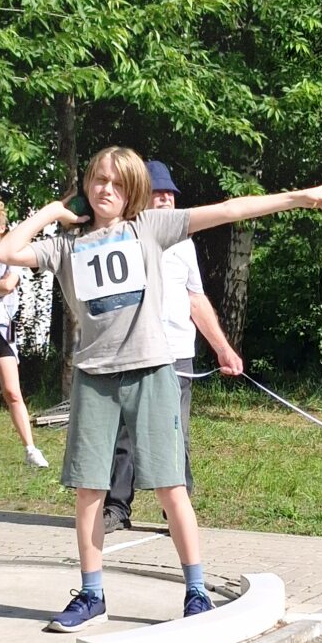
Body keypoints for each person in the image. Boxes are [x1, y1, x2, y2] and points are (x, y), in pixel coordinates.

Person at [0, 147, 322, 631]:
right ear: (86, 186)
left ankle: (196, 590)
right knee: (89, 490)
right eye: (98, 180)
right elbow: (5, 251)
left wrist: (300, 197)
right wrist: (54, 212)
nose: (106, 190)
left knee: (170, 485)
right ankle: (92, 593)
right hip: (94, 377)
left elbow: (228, 211)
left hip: (152, 370)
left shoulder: (150, 228)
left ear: (133, 191)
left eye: (117, 184)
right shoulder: (66, 246)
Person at [102, 159, 242, 533]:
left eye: (169, 194)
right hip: (135, 349)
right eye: (157, 193)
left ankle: (178, 512)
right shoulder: (123, 237)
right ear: (139, 198)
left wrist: (223, 349)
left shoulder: (184, 243)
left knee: (175, 431)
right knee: (126, 431)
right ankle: (116, 507)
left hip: (177, 351)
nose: (165, 199)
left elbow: (195, 298)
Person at [0, 200, 48, 471]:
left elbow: (8, 285)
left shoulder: (11, 256)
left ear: (3, 229)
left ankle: (30, 447)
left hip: (1, 328)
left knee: (11, 391)